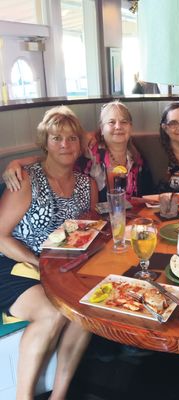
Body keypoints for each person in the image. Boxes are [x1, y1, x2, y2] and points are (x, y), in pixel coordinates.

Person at [0, 106, 98, 399]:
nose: (65, 145)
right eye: (56, 138)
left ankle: (59, 395)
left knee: (86, 312)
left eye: (71, 138)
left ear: (80, 145)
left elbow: (88, 231)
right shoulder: (26, 179)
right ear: (45, 142)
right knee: (51, 314)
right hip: (15, 265)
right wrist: (39, 262)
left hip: (63, 269)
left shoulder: (87, 185)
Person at [2, 100, 152, 201]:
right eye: (111, 122)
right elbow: (54, 158)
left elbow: (146, 197)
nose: (118, 127)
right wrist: (17, 162)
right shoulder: (87, 152)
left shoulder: (137, 158)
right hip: (95, 225)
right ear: (102, 128)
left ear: (130, 127)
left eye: (124, 122)